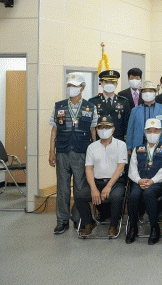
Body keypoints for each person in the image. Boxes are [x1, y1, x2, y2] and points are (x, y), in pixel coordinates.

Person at [49, 72, 98, 235]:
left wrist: (94, 154)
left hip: (82, 152)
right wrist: (51, 151)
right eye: (69, 85)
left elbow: (93, 131)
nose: (71, 88)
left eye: (75, 86)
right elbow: (54, 130)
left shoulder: (90, 107)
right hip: (62, 151)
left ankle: (78, 218)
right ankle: (62, 220)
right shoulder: (59, 106)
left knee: (80, 189)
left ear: (82, 87)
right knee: (62, 188)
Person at [76, 115, 127, 238]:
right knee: (79, 195)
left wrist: (108, 186)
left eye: (107, 127)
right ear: (96, 130)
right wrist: (93, 188)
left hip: (115, 182)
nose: (104, 130)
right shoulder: (92, 147)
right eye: (101, 127)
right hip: (97, 182)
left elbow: (120, 167)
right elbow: (88, 168)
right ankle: (89, 223)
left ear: (113, 129)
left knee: (116, 197)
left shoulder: (121, 145)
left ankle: (113, 226)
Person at [126, 118, 162, 245]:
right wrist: (139, 180)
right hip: (139, 181)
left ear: (160, 132)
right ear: (145, 132)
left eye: (155, 130)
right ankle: (133, 227)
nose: (152, 133)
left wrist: (152, 181)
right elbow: (132, 169)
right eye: (149, 131)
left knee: (148, 194)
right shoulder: (137, 148)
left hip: (158, 182)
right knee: (133, 195)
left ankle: (154, 228)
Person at [126, 80, 162, 151]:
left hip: (159, 146)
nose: (147, 93)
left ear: (155, 93)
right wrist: (129, 148)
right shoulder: (135, 110)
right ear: (141, 93)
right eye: (145, 91)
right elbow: (130, 130)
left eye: (150, 91)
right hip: (139, 145)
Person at [89, 70, 130, 141]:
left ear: (116, 84)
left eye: (112, 82)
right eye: (106, 82)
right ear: (101, 83)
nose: (109, 84)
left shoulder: (123, 101)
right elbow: (91, 125)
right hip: (99, 140)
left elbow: (127, 124)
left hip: (118, 140)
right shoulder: (93, 101)